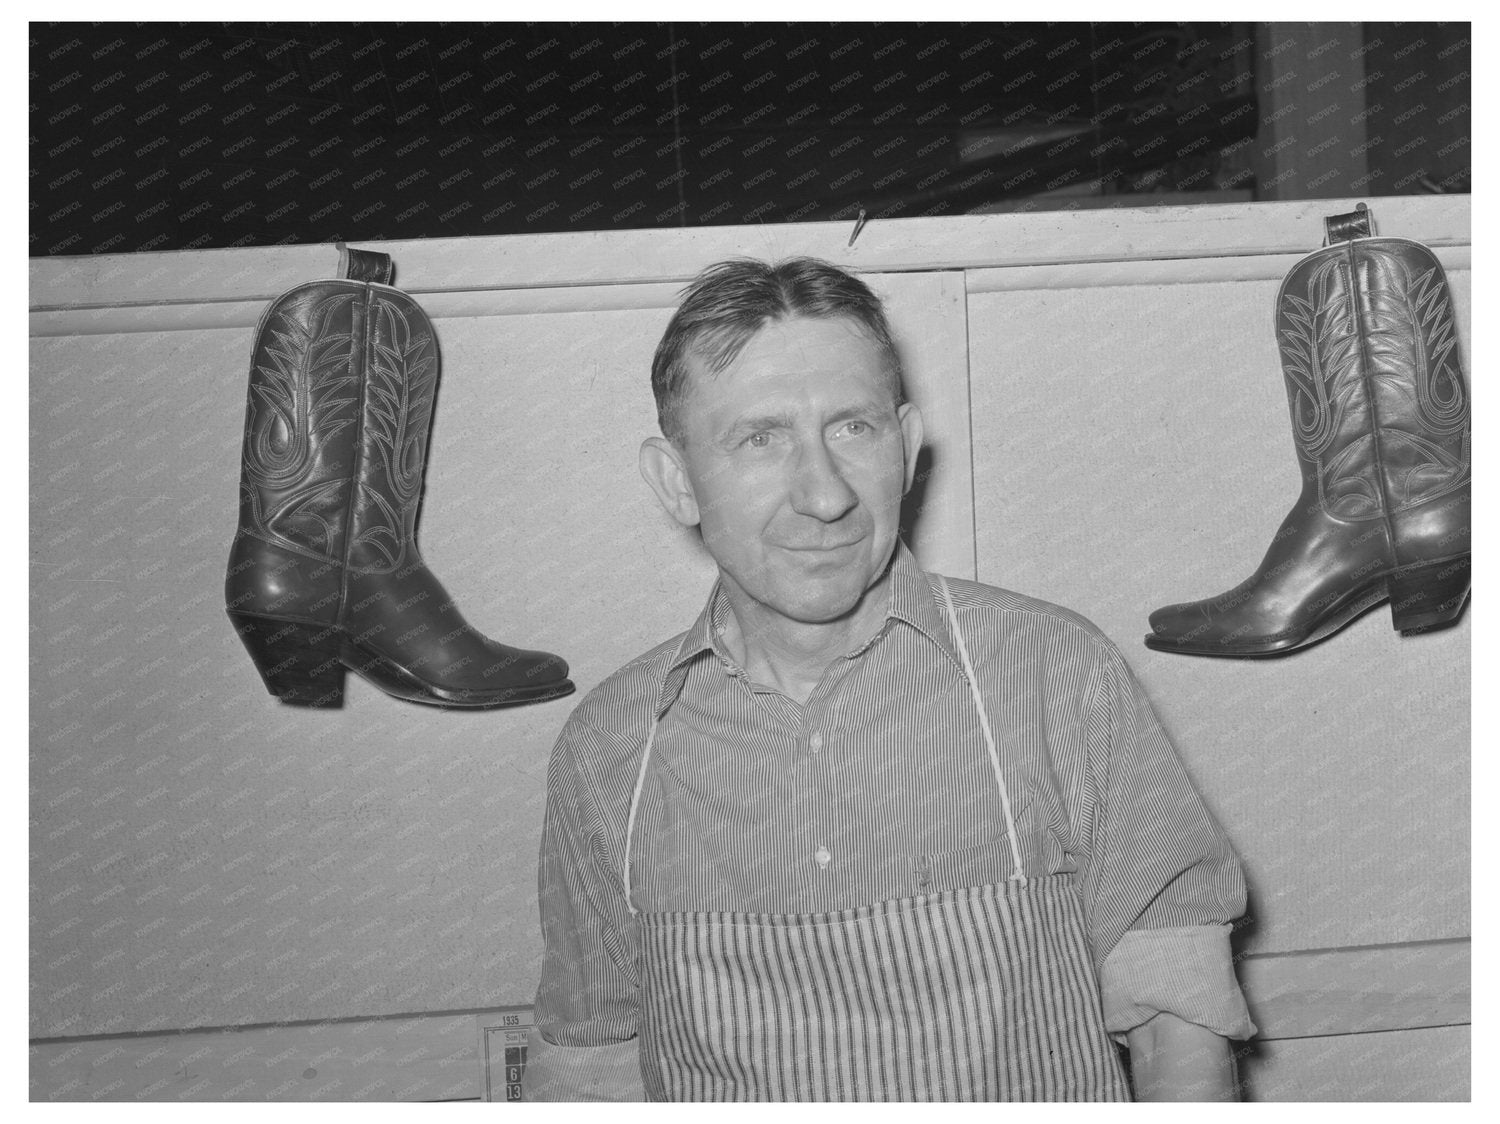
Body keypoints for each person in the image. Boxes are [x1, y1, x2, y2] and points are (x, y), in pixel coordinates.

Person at [526, 257, 1255, 1102]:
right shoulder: (613, 748)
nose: (825, 495)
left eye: (853, 429)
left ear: (905, 447)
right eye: (760, 439)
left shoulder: (1056, 673)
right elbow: (591, 1067)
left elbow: (1181, 1024)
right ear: (676, 481)